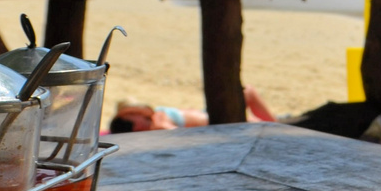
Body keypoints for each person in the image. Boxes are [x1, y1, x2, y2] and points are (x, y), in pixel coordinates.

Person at [108, 87, 276, 133]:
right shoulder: (157, 126)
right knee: (259, 122)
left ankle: (275, 124)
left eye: (131, 124)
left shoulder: (154, 115)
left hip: (208, 114)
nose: (136, 128)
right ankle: (277, 126)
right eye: (132, 129)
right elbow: (180, 134)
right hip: (216, 122)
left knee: (248, 92)